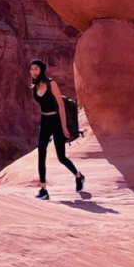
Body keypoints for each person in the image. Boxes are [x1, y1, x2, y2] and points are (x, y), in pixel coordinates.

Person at [29, 59, 83, 199]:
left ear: (41, 69)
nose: (33, 72)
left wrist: (64, 127)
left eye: (36, 69)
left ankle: (78, 176)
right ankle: (43, 189)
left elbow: (61, 105)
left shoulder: (51, 83)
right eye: (32, 69)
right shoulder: (34, 86)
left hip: (56, 121)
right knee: (41, 153)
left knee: (61, 157)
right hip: (45, 121)